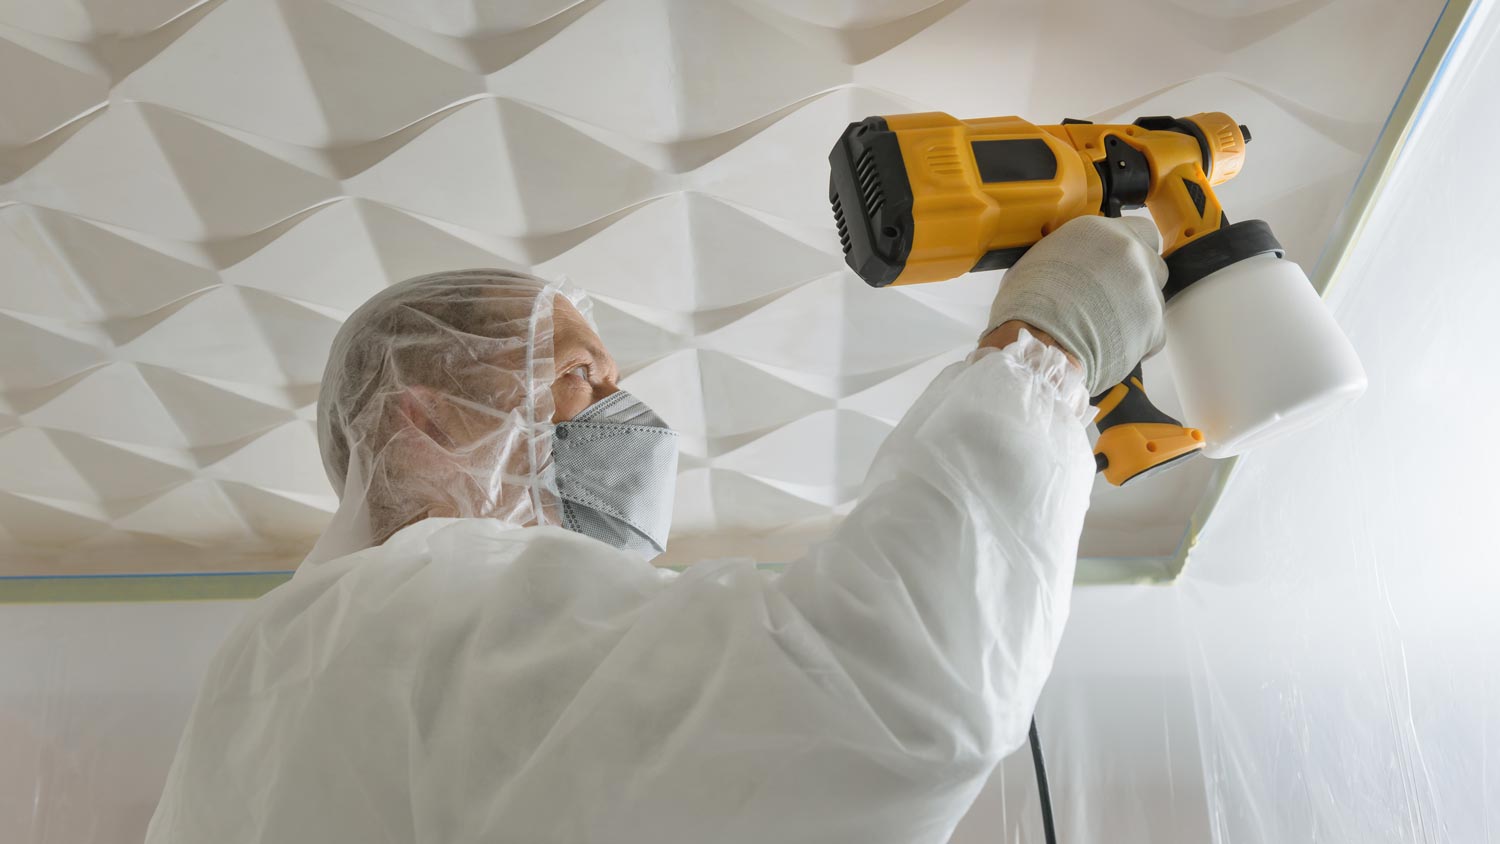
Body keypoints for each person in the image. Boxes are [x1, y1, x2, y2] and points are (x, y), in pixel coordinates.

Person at [145, 216, 1168, 844]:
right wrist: (1045, 354)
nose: (628, 425)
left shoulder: (258, 692)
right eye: (584, 378)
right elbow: (902, 688)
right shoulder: (415, 608)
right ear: (426, 424)